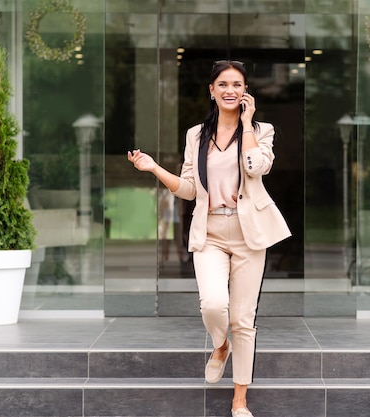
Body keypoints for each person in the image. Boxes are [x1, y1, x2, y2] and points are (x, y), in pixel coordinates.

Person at [128, 60, 291, 417]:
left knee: (243, 319)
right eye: (223, 84)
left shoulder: (263, 130)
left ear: (245, 91)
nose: (230, 90)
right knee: (213, 305)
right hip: (211, 230)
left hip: (249, 233)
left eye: (237, 84)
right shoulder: (195, 135)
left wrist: (247, 124)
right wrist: (154, 167)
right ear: (212, 90)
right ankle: (220, 347)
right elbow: (188, 189)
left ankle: (239, 399)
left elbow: (255, 167)